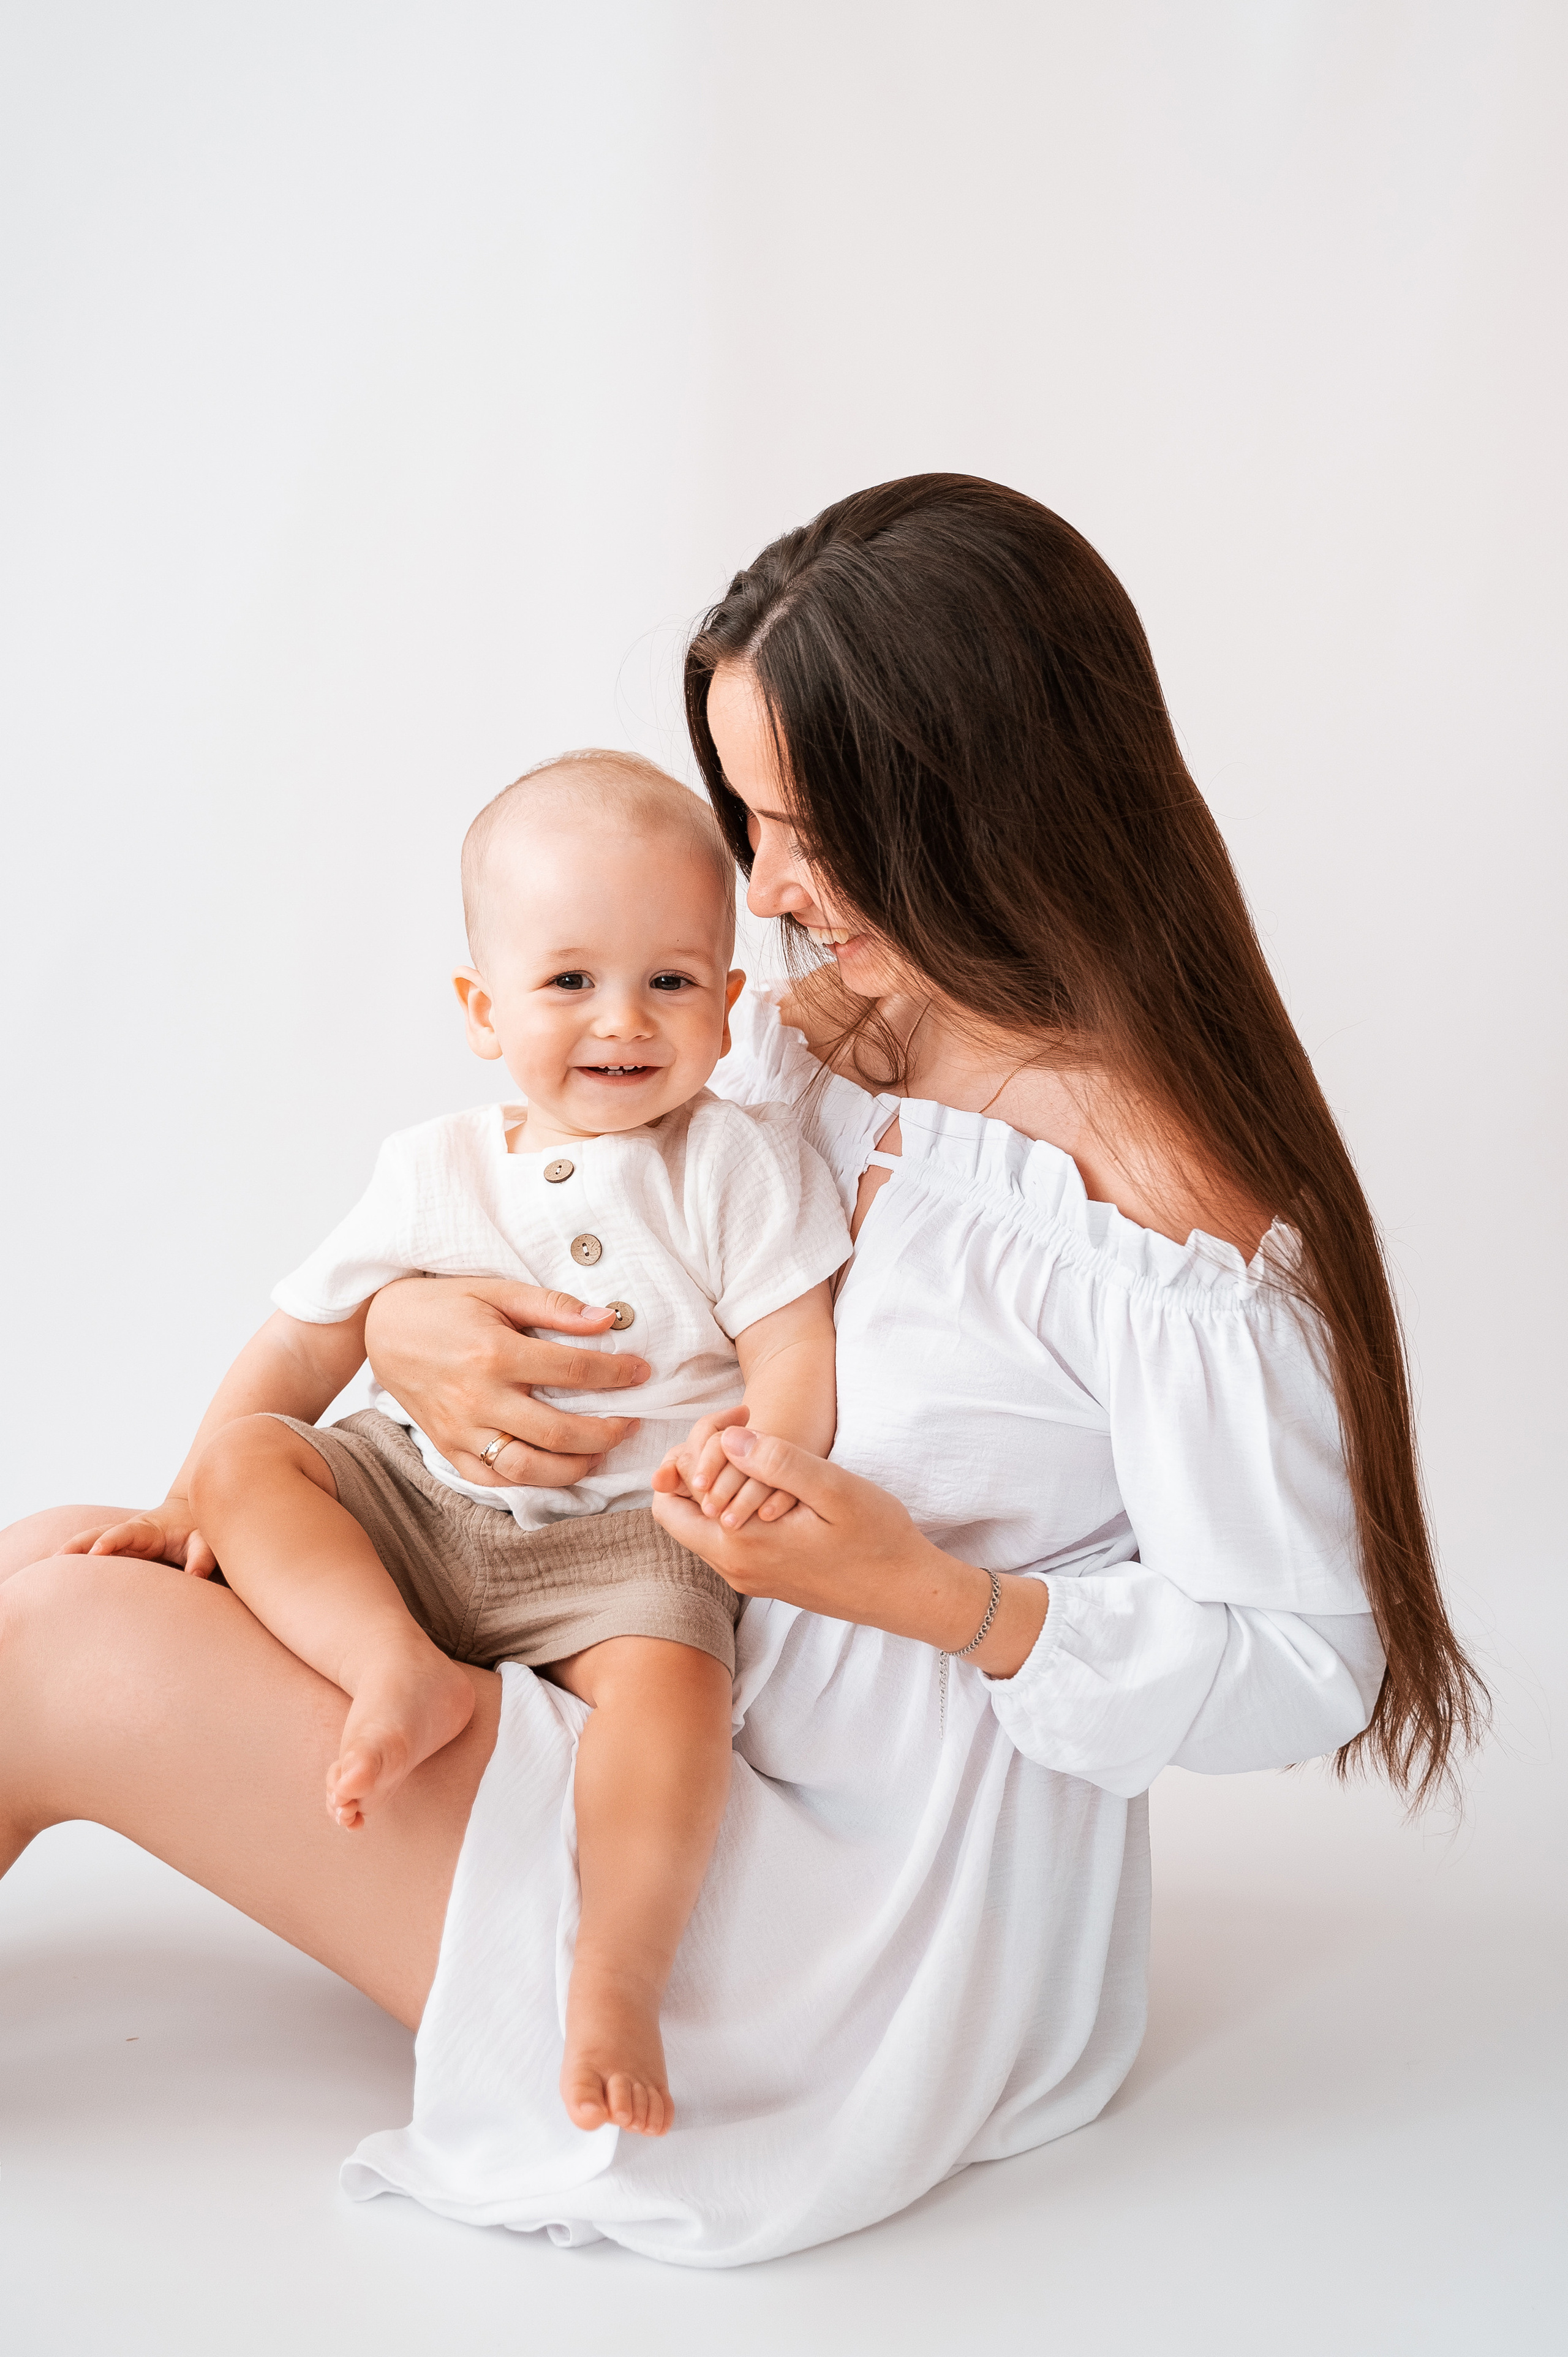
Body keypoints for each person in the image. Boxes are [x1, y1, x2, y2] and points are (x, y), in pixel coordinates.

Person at [0, 475, 1483, 2270]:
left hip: (817, 1906)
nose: (767, 888)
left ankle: (613, 2002)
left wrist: (940, 1598)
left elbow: (1312, 1662)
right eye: (750, 819)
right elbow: (587, 1207)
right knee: (57, 1553)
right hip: (616, 1657)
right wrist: (402, 1326)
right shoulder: (825, 1032)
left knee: (57, 1645)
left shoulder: (1162, 1222)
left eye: (811, 829)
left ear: (980, 796)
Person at [56, 749, 848, 2141]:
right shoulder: (435, 1167)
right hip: (424, 1502)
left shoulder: (733, 1164)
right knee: (253, 1458)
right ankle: (391, 1666)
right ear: (484, 1010)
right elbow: (303, 1343)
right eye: (570, 980)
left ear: (728, 1006)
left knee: (675, 1691)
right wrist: (190, 1497)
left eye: (670, 980)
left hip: (630, 1538)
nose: (623, 1019)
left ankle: (615, 1974)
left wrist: (761, 1460)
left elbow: (793, 1349)